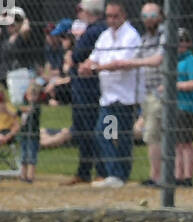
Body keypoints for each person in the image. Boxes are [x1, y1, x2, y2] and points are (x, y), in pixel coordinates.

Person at [83, 0, 140, 188]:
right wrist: (86, 66)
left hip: (124, 96)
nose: (112, 20)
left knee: (120, 136)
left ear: (123, 15)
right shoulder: (105, 36)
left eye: (115, 16)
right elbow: (94, 57)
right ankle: (115, 174)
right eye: (109, 16)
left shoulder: (131, 36)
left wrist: (96, 67)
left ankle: (119, 175)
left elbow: (121, 63)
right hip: (108, 96)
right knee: (105, 133)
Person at [110, 3, 165, 185]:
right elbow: (135, 58)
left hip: (164, 91)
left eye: (152, 14)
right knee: (151, 135)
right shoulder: (144, 38)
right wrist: (122, 63)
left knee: (158, 134)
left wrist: (128, 63)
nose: (148, 19)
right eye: (145, 15)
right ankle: (156, 176)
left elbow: (158, 59)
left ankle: (160, 177)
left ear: (160, 16)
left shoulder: (166, 34)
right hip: (148, 93)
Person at [65, 1, 107, 185]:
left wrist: (71, 55)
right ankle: (87, 171)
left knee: (90, 130)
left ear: (88, 12)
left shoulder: (93, 32)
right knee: (88, 131)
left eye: (80, 10)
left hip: (88, 89)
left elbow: (76, 56)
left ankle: (96, 171)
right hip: (88, 87)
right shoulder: (99, 29)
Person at [174, 28, 193, 186]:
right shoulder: (175, 60)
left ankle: (187, 176)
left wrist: (174, 85)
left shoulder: (191, 60)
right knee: (176, 143)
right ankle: (178, 175)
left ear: (188, 42)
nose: (179, 44)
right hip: (174, 106)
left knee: (185, 143)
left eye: (182, 40)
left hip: (186, 107)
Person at [16, 74, 43, 181]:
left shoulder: (37, 107)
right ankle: (23, 174)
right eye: (30, 95)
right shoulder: (24, 106)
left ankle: (30, 176)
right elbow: (17, 112)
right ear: (26, 95)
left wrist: (27, 109)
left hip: (33, 135)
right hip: (24, 134)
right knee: (23, 155)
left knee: (32, 155)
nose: (32, 97)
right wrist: (23, 109)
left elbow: (32, 111)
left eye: (34, 95)